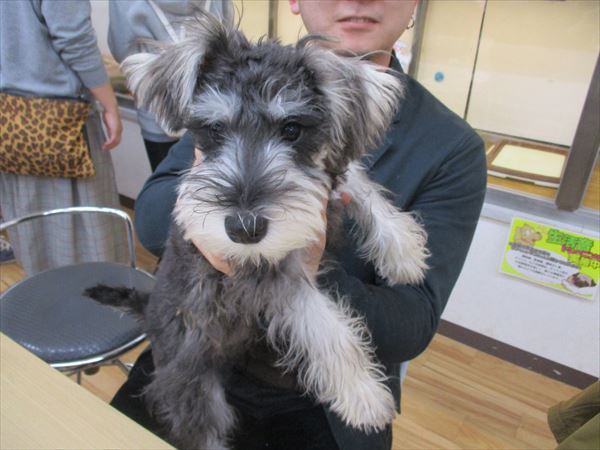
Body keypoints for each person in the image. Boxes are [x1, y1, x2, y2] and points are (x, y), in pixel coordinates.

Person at [115, 1, 488, 449]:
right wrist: (201, 214)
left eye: (291, 131)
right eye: (217, 132)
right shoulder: (233, 71)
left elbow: (413, 323)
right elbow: (151, 219)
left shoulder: (451, 146)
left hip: (316, 406)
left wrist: (306, 267)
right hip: (191, 347)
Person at [0, 0, 127, 275]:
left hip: (9, 116)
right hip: (62, 118)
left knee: (33, 230)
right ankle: (83, 298)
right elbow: (73, 37)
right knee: (86, 234)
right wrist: (109, 104)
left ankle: (46, 295)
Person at [108, 0, 233, 171]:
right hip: (216, 111)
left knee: (165, 177)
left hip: (158, 109)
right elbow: (228, 39)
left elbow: (121, 48)